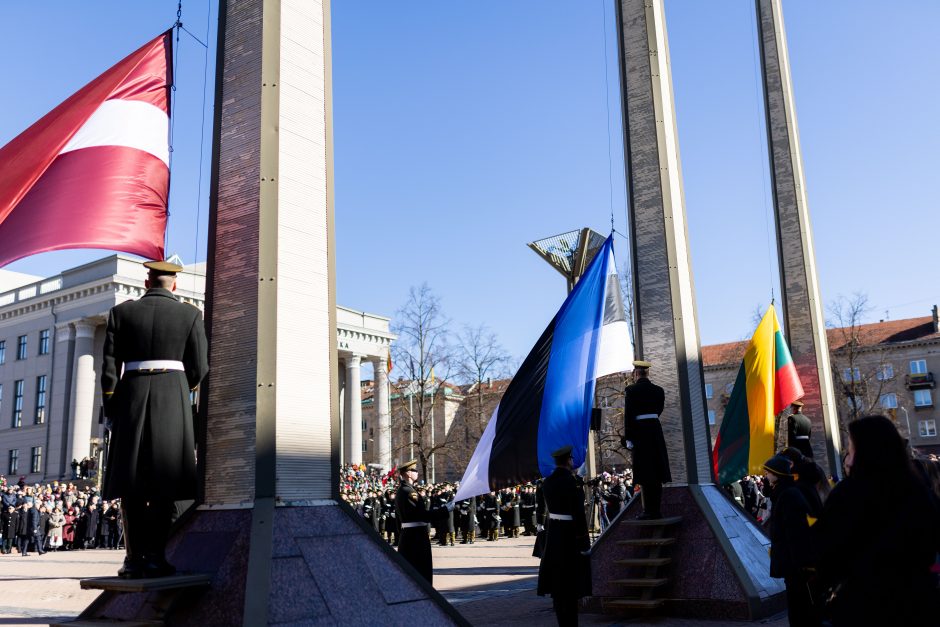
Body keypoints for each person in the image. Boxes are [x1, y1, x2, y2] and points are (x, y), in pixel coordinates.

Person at [101, 258, 209, 578]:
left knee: (131, 483)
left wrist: (113, 407)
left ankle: (133, 559)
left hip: (131, 398)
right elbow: (200, 367)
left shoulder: (122, 313)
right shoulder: (190, 314)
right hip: (172, 400)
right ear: (173, 285)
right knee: (165, 483)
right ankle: (157, 557)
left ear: (146, 283)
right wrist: (177, 388)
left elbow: (109, 370)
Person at [813, 415, 940, 626]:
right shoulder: (918, 491)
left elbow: (826, 551)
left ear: (866, 452)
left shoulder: (849, 494)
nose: (848, 458)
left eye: (851, 450)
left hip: (864, 605)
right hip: (917, 603)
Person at [762, 454, 820, 627]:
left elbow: (795, 533)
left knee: (799, 608)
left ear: (777, 473)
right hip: (794, 564)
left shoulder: (788, 495)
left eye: (768, 472)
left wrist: (800, 564)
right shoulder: (785, 492)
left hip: (796, 566)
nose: (765, 474)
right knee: (798, 607)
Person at [537, 445, 591, 627]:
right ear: (569, 460)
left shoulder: (548, 482)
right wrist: (585, 542)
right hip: (570, 535)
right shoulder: (572, 482)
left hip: (554, 534)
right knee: (571, 584)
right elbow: (578, 513)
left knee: (558, 586)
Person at [621, 360, 672, 519]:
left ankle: (648, 511)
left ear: (636, 374)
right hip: (655, 432)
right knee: (656, 472)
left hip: (640, 433)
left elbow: (629, 415)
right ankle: (656, 510)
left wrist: (629, 437)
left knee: (644, 472)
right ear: (647, 373)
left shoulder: (631, 390)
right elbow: (659, 410)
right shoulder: (659, 390)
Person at [394, 460, 452, 584]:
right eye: (414, 470)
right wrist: (445, 510)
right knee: (421, 574)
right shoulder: (410, 492)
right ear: (408, 473)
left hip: (409, 535)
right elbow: (422, 515)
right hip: (416, 538)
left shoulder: (403, 490)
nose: (417, 472)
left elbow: (399, 520)